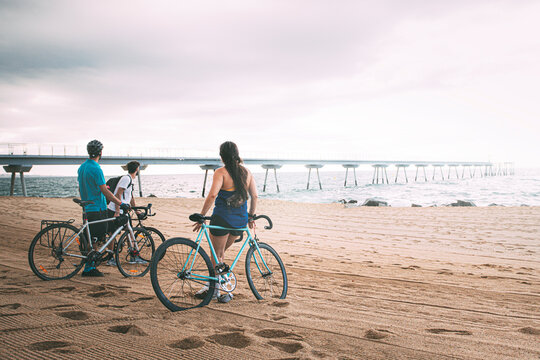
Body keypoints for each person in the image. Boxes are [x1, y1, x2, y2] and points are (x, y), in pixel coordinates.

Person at [192, 141, 258, 303]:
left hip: (221, 219)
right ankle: (216, 286)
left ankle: (217, 290)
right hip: (240, 221)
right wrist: (251, 216)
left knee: (217, 255)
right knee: (220, 256)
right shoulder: (247, 173)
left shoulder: (221, 172)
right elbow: (255, 196)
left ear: (222, 156)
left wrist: (201, 215)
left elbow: (213, 195)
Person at [77, 140, 127, 277]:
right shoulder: (97, 168)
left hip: (87, 207)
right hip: (97, 208)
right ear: (100, 152)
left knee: (90, 238)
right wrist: (120, 203)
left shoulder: (82, 167)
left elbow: (80, 187)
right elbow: (104, 191)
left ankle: (89, 264)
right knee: (97, 239)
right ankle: (89, 268)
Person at [105, 161, 145, 266]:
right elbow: (118, 194)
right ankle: (110, 258)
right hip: (115, 210)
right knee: (112, 234)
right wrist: (117, 211)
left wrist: (136, 210)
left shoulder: (130, 180)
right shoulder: (126, 179)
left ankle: (133, 255)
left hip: (124, 210)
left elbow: (130, 196)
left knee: (129, 232)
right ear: (136, 170)